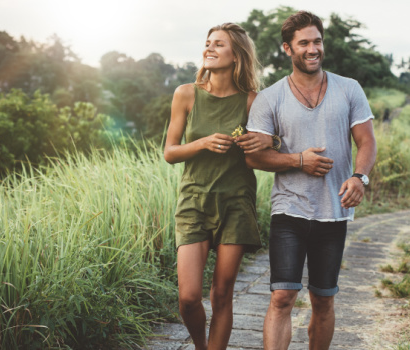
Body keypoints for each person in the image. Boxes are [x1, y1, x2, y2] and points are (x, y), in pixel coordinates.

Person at [244, 11, 377, 350]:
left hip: (334, 210)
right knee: (282, 297)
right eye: (304, 43)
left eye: (317, 41)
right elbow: (254, 156)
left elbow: (367, 141)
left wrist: (359, 177)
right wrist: (299, 160)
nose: (312, 48)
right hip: (289, 209)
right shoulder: (269, 98)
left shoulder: (349, 89)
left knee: (323, 300)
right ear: (288, 48)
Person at [163, 22, 273, 350]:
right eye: (208, 43)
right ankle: (200, 345)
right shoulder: (186, 94)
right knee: (188, 297)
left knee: (222, 295)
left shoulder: (252, 101)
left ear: (236, 55)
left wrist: (262, 141)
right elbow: (170, 152)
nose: (208, 49)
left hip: (236, 201)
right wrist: (204, 143)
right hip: (194, 200)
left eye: (218, 44)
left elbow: (267, 146)